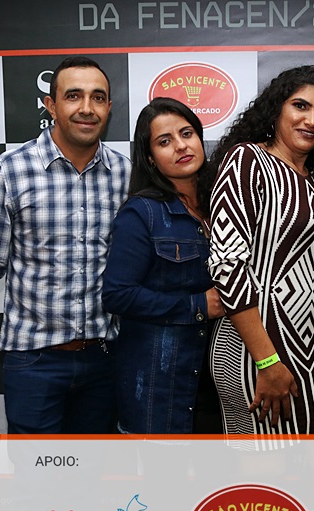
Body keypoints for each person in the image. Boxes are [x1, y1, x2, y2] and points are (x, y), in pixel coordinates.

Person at [0, 56, 130, 434]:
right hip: (33, 362)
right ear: (51, 105)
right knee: (36, 469)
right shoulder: (10, 169)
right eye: (73, 96)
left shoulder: (125, 173)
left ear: (109, 107)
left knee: (96, 466)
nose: (87, 108)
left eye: (98, 97)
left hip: (104, 360)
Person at [204, 65, 314, 438]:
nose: (312, 121)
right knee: (268, 469)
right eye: (300, 106)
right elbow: (227, 266)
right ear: (277, 109)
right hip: (254, 350)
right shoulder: (247, 161)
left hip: (313, 349)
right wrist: (267, 361)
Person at [102, 98, 224, 434]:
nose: (181, 146)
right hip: (161, 385)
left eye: (186, 134)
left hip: (221, 381)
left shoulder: (224, 205)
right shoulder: (141, 213)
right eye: (165, 141)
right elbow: (117, 295)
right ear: (151, 158)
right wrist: (197, 305)